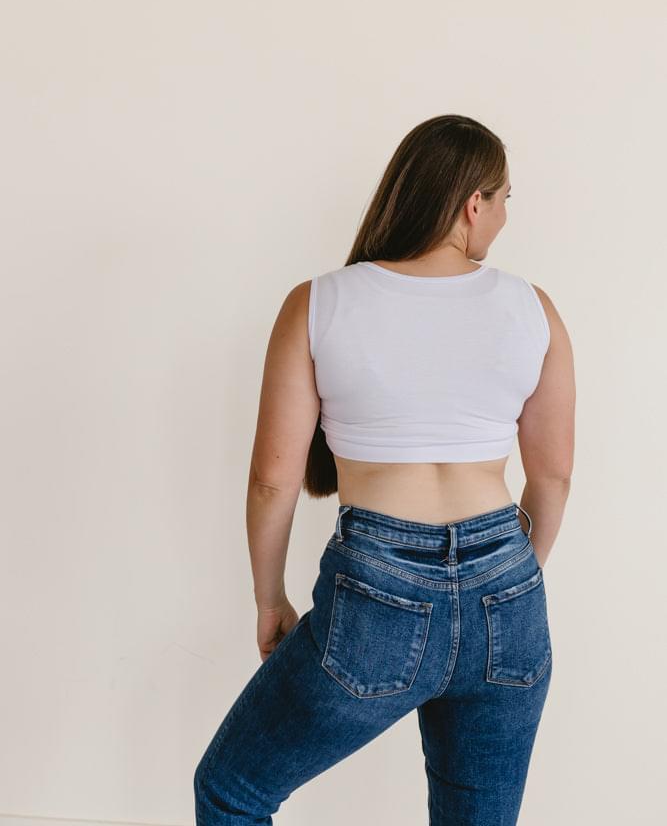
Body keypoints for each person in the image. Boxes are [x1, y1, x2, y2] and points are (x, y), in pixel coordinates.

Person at [193, 114, 576, 825]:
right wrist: (512, 577)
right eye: (504, 199)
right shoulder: (533, 310)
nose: (502, 217)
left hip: (377, 585)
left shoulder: (318, 303)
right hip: (508, 591)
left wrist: (269, 598)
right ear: (472, 204)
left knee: (232, 791)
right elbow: (550, 477)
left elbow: (273, 481)